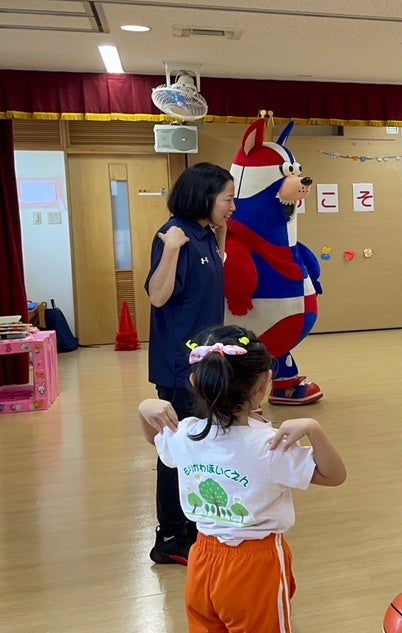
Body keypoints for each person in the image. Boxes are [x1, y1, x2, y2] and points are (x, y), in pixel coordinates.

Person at [138, 325, 346, 631]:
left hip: (202, 560)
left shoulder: (186, 434)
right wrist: (314, 429)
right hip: (256, 564)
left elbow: (155, 440)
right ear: (264, 384)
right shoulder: (271, 446)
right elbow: (334, 475)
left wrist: (144, 409)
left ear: (195, 382)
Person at [145, 162, 236, 565]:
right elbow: (157, 296)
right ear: (204, 197)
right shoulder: (175, 235)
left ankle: (194, 525)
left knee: (200, 446)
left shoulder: (206, 234)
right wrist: (170, 249)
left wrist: (221, 232)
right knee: (177, 450)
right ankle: (169, 537)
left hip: (204, 363)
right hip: (180, 367)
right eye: (227, 199)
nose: (232, 206)